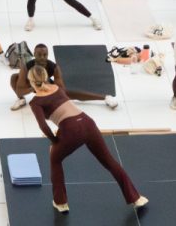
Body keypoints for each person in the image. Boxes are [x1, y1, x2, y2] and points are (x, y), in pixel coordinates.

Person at [26, 64, 147, 214]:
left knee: (55, 159)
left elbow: (43, 127)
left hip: (71, 130)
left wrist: (54, 141)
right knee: (109, 161)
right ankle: (136, 198)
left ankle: (61, 203)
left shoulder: (35, 102)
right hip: (88, 123)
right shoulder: (57, 87)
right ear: (45, 77)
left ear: (30, 81)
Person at [10, 43, 118, 110]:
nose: (42, 58)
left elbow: (61, 91)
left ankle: (105, 97)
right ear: (34, 54)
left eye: (45, 55)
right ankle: (21, 101)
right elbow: (19, 90)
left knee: (70, 94)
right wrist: (33, 87)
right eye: (39, 55)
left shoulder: (53, 67)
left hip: (47, 87)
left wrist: (46, 86)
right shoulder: (26, 67)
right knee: (14, 77)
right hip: (32, 85)